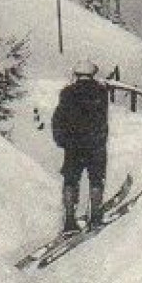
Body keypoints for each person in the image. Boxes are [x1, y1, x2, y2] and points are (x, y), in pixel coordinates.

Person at [51, 59, 109, 233]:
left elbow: (58, 118)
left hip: (73, 145)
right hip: (95, 144)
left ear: (76, 74)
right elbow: (102, 119)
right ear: (92, 74)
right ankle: (96, 216)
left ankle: (69, 220)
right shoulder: (100, 92)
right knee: (96, 179)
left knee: (71, 180)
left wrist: (61, 139)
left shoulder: (67, 93)